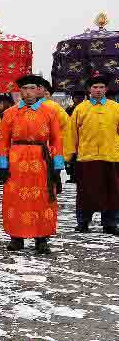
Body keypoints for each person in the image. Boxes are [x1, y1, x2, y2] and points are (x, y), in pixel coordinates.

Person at [0, 75, 64, 254]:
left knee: (42, 197)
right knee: (15, 198)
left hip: (41, 159)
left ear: (39, 90)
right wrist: (2, 165)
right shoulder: (10, 113)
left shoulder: (49, 112)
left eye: (32, 88)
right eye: (25, 88)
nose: (28, 92)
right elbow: (3, 140)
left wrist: (58, 166)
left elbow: (57, 139)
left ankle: (41, 239)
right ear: (20, 91)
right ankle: (16, 237)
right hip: (16, 159)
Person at [65, 73, 119, 234]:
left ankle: (110, 223)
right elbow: (71, 133)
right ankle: (83, 222)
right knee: (85, 192)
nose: (98, 90)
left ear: (106, 89)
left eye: (101, 87)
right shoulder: (81, 109)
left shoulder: (115, 108)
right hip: (86, 157)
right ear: (89, 89)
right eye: (95, 87)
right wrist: (70, 154)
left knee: (113, 191)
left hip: (111, 156)